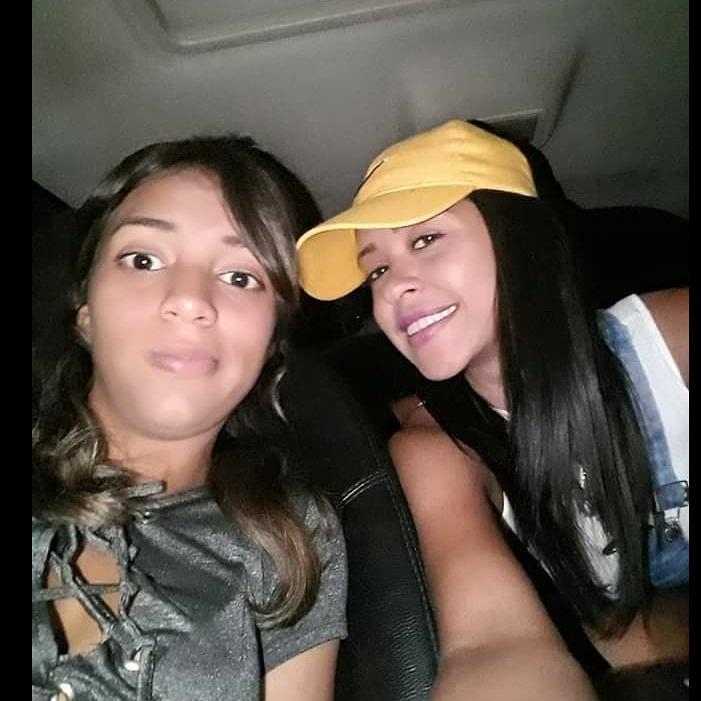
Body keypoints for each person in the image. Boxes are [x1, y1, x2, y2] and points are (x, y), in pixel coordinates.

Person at [296, 120, 688, 698]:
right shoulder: (434, 452)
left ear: (519, 238)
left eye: (425, 240)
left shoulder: (671, 337)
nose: (391, 287)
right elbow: (491, 644)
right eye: (376, 269)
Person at [32, 134, 348, 701]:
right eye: (144, 260)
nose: (191, 300)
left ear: (270, 343)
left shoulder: (288, 539)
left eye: (240, 277)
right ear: (85, 313)